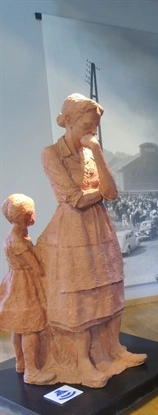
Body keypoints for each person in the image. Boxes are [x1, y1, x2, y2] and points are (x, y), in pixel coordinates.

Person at [36, 93, 146, 388]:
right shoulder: (51, 154)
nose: (93, 131)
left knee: (110, 288)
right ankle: (83, 363)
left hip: (100, 228)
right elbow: (75, 199)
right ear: (69, 121)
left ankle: (113, 349)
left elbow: (112, 193)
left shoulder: (90, 152)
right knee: (80, 296)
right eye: (88, 125)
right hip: (73, 230)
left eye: (96, 126)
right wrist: (98, 193)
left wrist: (96, 151)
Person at [0, 194, 55, 384]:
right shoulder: (18, 241)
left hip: (14, 282)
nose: (34, 216)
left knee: (18, 328)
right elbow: (37, 268)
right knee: (30, 328)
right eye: (31, 213)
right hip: (24, 285)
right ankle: (32, 372)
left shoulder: (15, 235)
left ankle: (21, 363)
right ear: (25, 216)